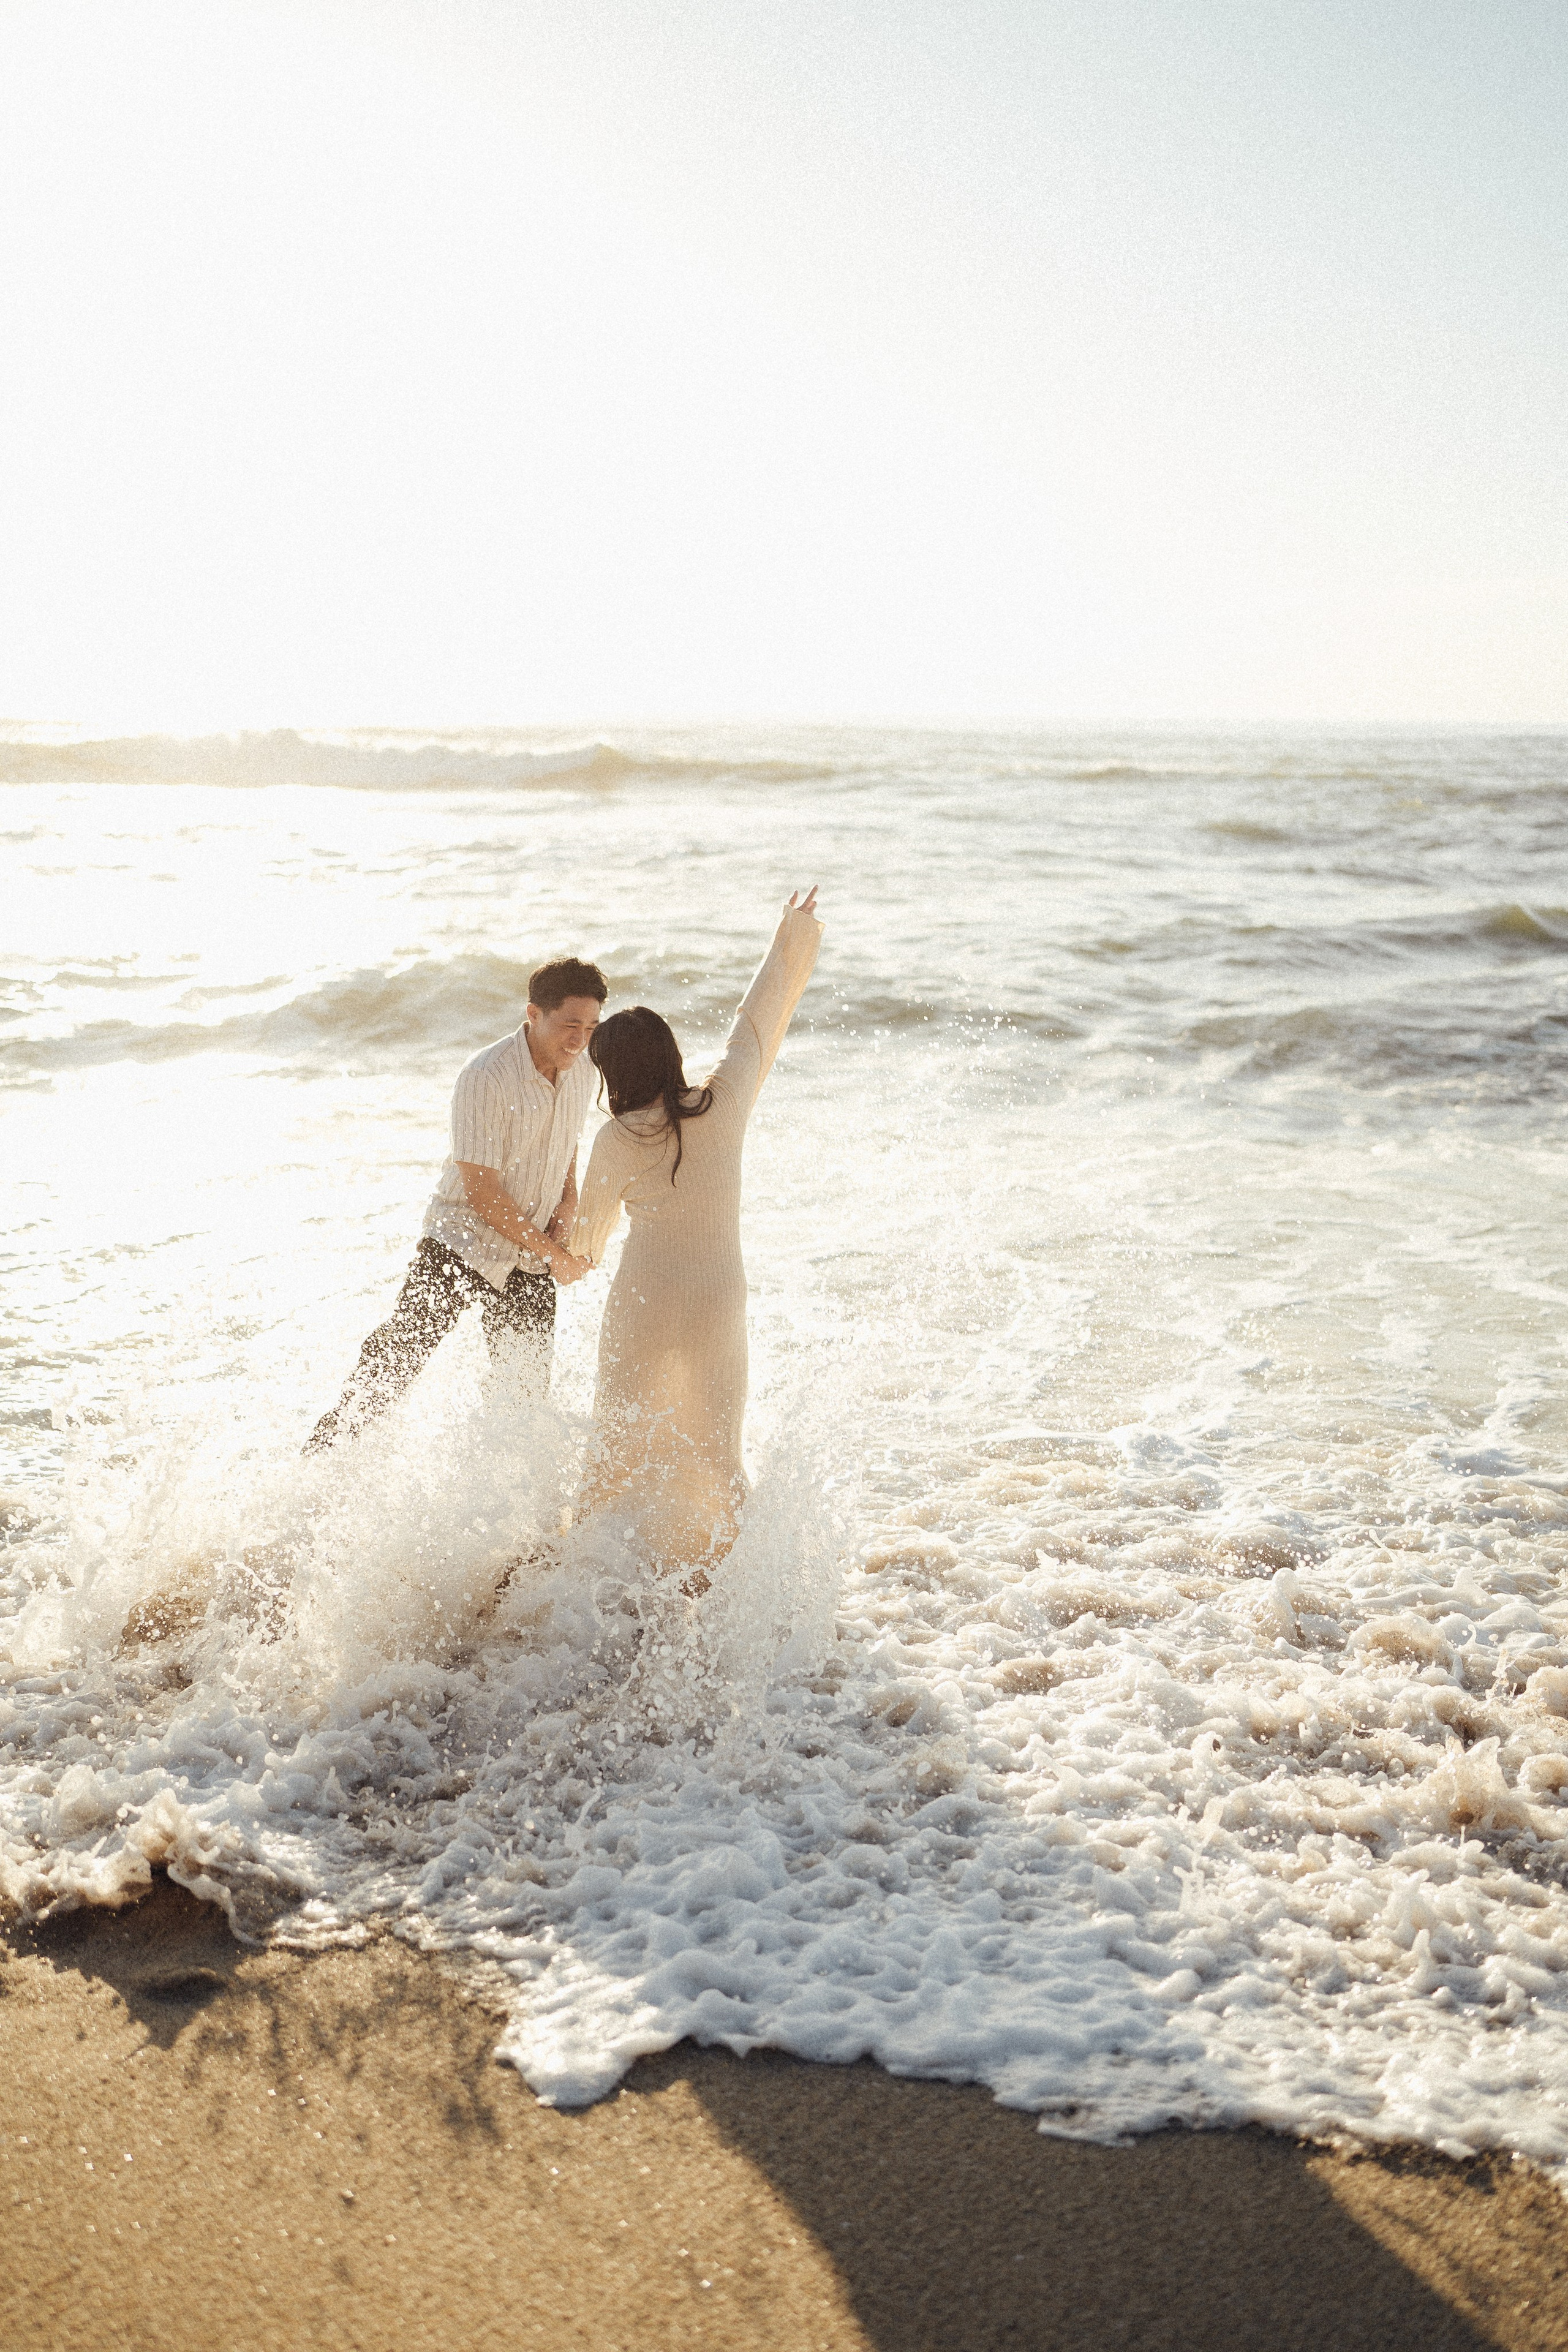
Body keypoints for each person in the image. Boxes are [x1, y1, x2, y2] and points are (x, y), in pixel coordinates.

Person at [568, 891, 823, 1585]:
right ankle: (749, 1585)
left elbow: (586, 1248)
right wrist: (793, 934)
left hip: (644, 1301)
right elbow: (758, 1022)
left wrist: (555, 1243)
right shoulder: (726, 1098)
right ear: (670, 1054)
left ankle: (570, 1586)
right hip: (717, 1300)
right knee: (717, 1455)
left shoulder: (616, 1139)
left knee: (611, 1452)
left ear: (612, 1075)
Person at [303, 957, 605, 1453]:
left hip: (529, 1254)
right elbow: (482, 1191)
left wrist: (564, 1224)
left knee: (525, 1396)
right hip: (461, 1242)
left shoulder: (583, 1071)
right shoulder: (485, 1076)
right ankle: (317, 1467)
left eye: (590, 1028)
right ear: (534, 1013)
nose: (579, 1039)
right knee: (395, 1362)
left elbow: (566, 1155)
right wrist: (554, 1255)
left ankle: (507, 1514)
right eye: (570, 1025)